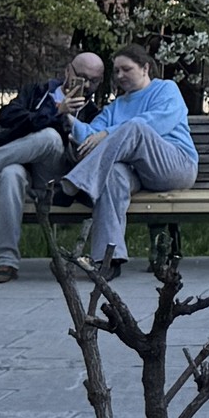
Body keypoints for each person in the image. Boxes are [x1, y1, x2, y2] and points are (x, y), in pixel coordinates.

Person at [0, 51, 104, 283]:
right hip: (21, 169)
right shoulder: (37, 92)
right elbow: (7, 116)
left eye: (94, 81)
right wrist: (56, 111)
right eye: (82, 77)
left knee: (51, 138)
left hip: (56, 179)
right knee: (9, 174)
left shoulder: (94, 114)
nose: (86, 85)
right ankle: (6, 262)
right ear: (68, 70)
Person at [58, 50, 199, 270]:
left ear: (145, 68)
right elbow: (90, 136)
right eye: (116, 71)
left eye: (126, 69)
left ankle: (75, 183)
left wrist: (107, 134)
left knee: (135, 127)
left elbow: (156, 123)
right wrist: (66, 115)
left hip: (175, 166)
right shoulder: (115, 107)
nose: (120, 75)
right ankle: (108, 260)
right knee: (112, 175)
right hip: (138, 174)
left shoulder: (166, 89)